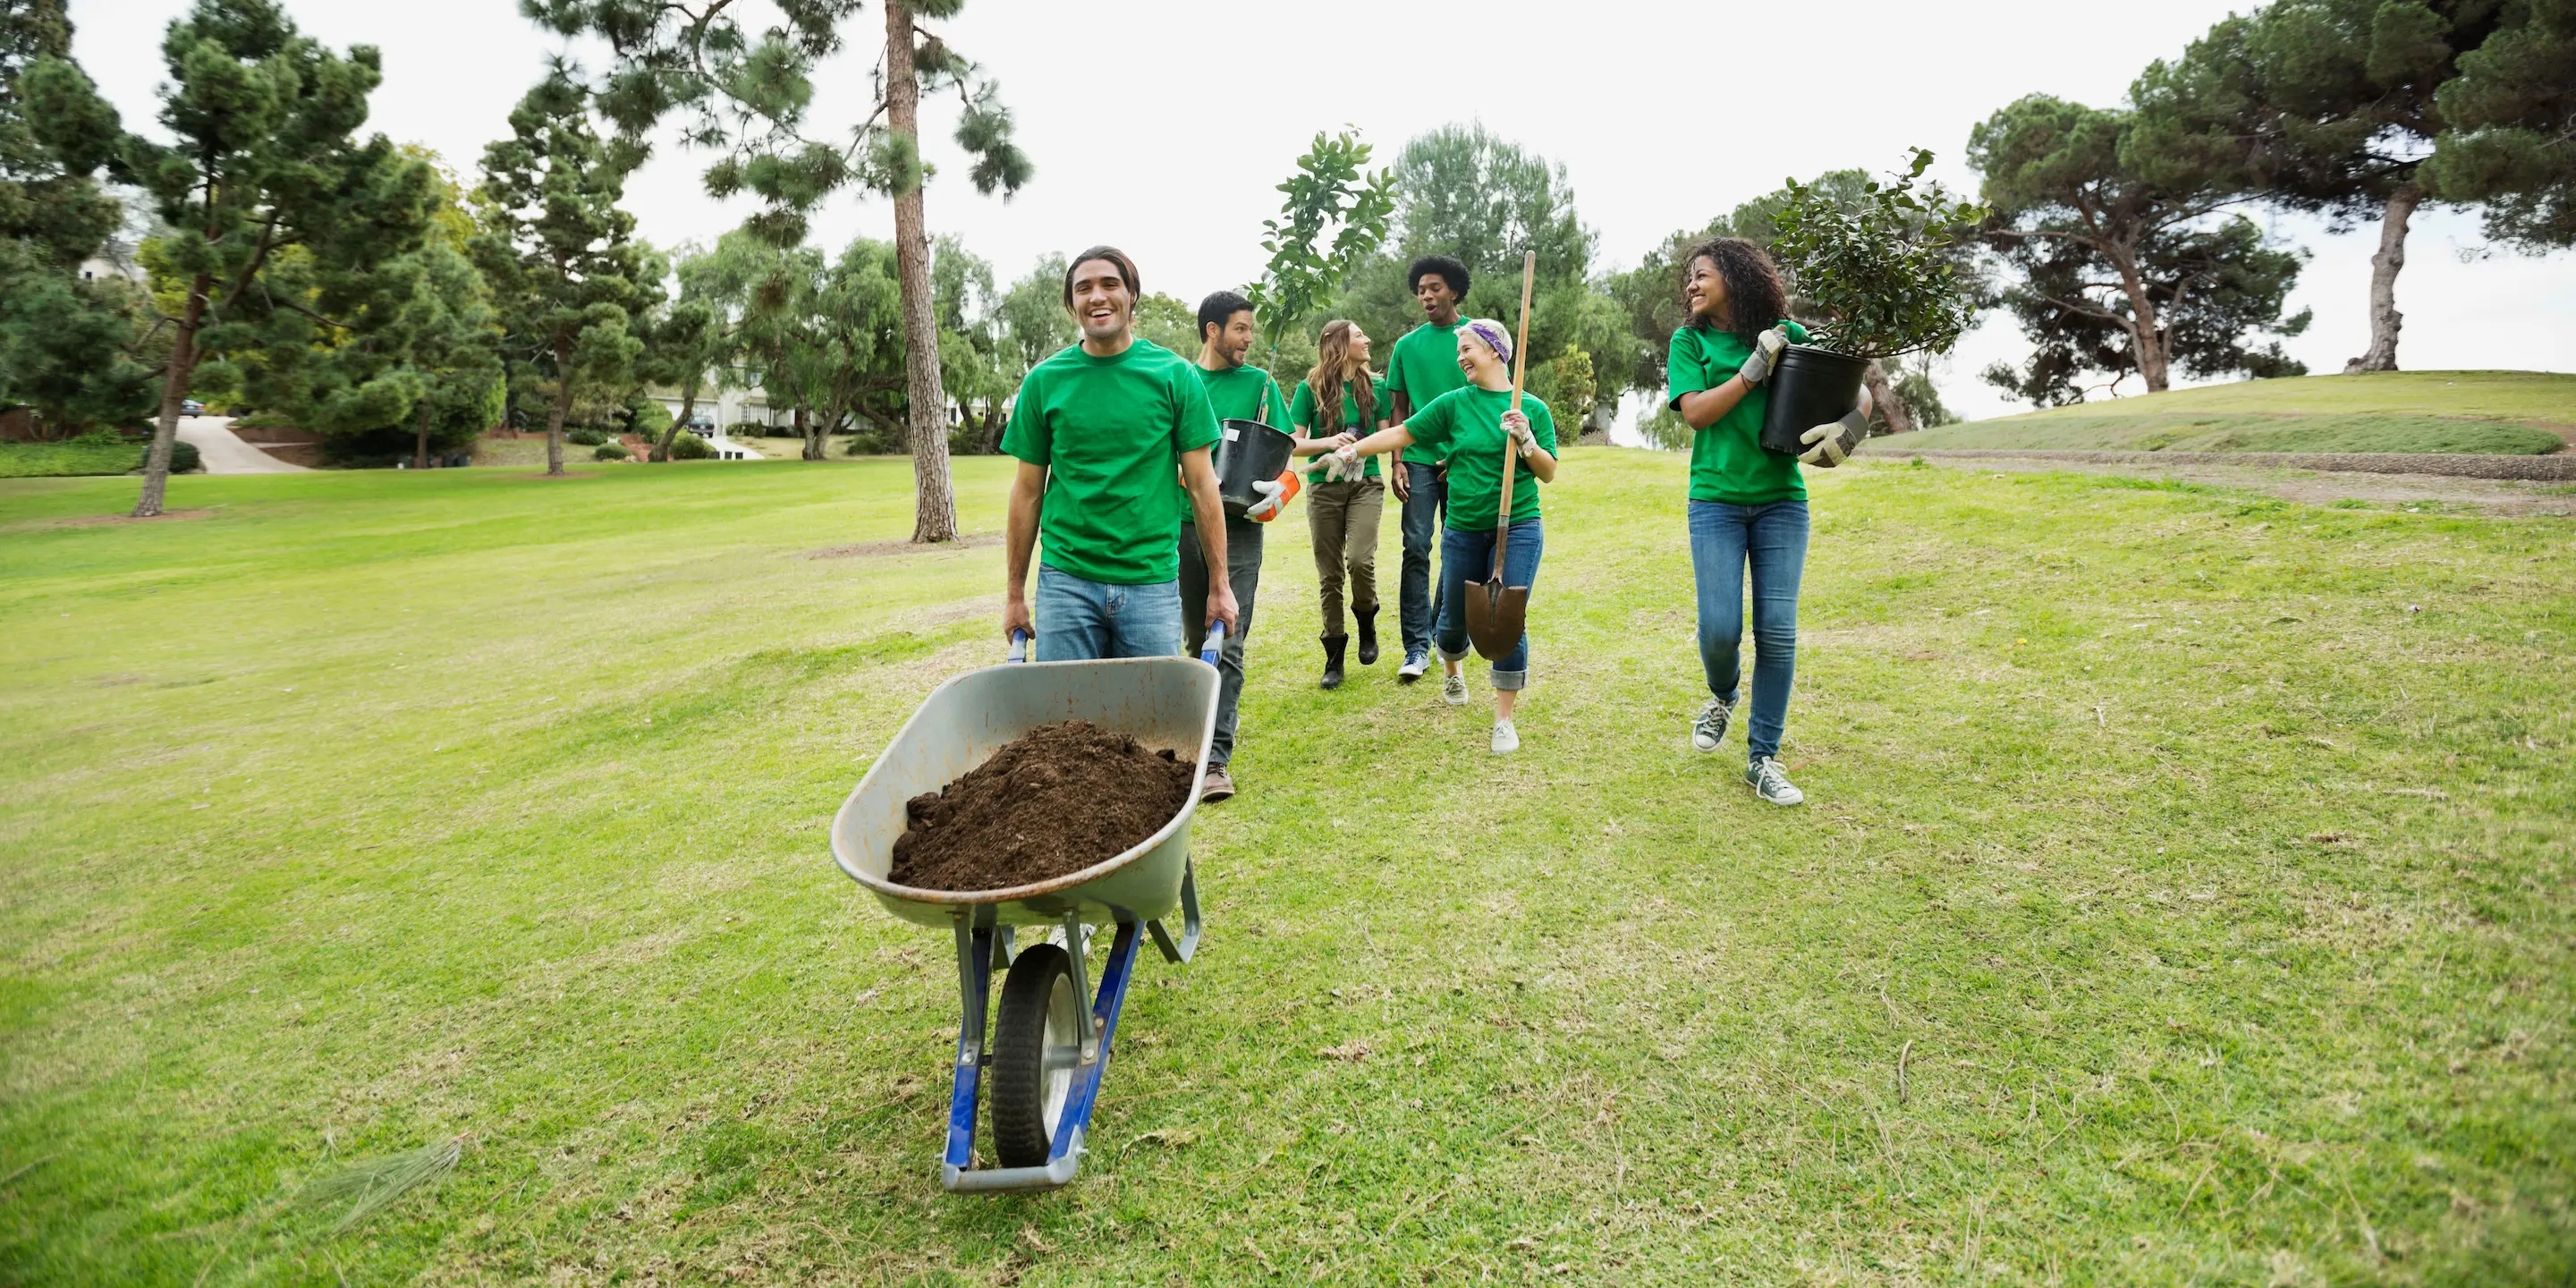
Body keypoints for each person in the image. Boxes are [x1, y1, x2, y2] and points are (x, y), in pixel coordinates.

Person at [1662, 236, 1871, 807]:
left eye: (1703, 274)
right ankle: (1724, 695)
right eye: (1690, 277)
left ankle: (1763, 757)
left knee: (1777, 633)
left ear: (1737, 276)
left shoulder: (1787, 334)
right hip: (1715, 504)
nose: (1693, 285)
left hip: (1782, 500)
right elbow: (1697, 414)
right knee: (1721, 629)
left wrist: (1850, 430)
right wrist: (1754, 370)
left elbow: (1861, 390)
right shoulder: (1689, 342)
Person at [1326, 318, 1557, 754]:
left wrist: (1526, 440)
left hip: (1520, 524)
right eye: (1459, 352)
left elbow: (1548, 472)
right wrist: (1355, 448)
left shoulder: (1531, 409)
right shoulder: (1454, 404)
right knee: (1452, 625)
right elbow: (1403, 432)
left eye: (1467, 349)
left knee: (1508, 614)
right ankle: (1452, 669)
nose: (1460, 358)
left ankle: (1504, 719)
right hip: (1464, 527)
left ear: (1494, 351)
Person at [1003, 246, 1239, 669]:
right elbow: (1026, 493)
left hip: (1150, 582)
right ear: (1071, 303)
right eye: (1083, 288)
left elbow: (1204, 488)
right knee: (1064, 724)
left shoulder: (1174, 376)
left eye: (1110, 284)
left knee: (1151, 725)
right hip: (1066, 583)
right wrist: (1015, 594)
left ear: (1132, 296)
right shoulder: (1043, 382)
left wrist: (1219, 585)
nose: (1097, 296)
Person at [1177, 290, 1289, 802]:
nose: (1249, 338)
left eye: (1251, 329)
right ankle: (1189, 746)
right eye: (1241, 328)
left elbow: (1286, 462)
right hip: (1181, 526)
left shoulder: (1262, 386)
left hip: (1240, 529)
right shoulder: (1181, 381)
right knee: (1191, 640)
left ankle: (1216, 760)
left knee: (1229, 637)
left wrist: (1279, 496)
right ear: (1212, 330)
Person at [1381, 255, 1472, 684]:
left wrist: (1458, 454)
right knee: (1416, 547)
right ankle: (1416, 646)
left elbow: (1490, 393)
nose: (1426, 296)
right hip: (1417, 458)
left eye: (1434, 287)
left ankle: (1441, 633)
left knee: (1457, 549)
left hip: (1464, 458)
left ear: (1453, 291)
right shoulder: (1406, 346)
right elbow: (1399, 408)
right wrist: (1397, 461)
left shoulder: (1475, 337)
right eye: (1420, 290)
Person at [1286, 319, 1388, 691]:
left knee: (1360, 560)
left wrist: (1359, 450)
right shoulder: (1309, 388)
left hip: (1366, 482)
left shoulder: (1377, 386)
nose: (1367, 339)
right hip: (1323, 487)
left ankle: (1366, 618)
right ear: (1339, 343)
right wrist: (1330, 444)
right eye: (1360, 334)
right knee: (1329, 575)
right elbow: (1294, 443)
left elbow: (1387, 435)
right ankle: (1334, 657)